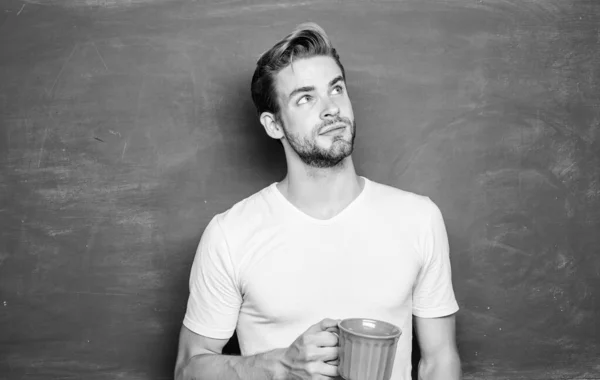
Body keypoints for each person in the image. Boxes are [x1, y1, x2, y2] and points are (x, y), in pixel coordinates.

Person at [174, 22, 461, 380]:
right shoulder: (230, 234)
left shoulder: (419, 219)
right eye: (305, 98)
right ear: (273, 125)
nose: (331, 109)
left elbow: (439, 360)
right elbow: (188, 368)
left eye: (336, 89)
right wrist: (276, 365)